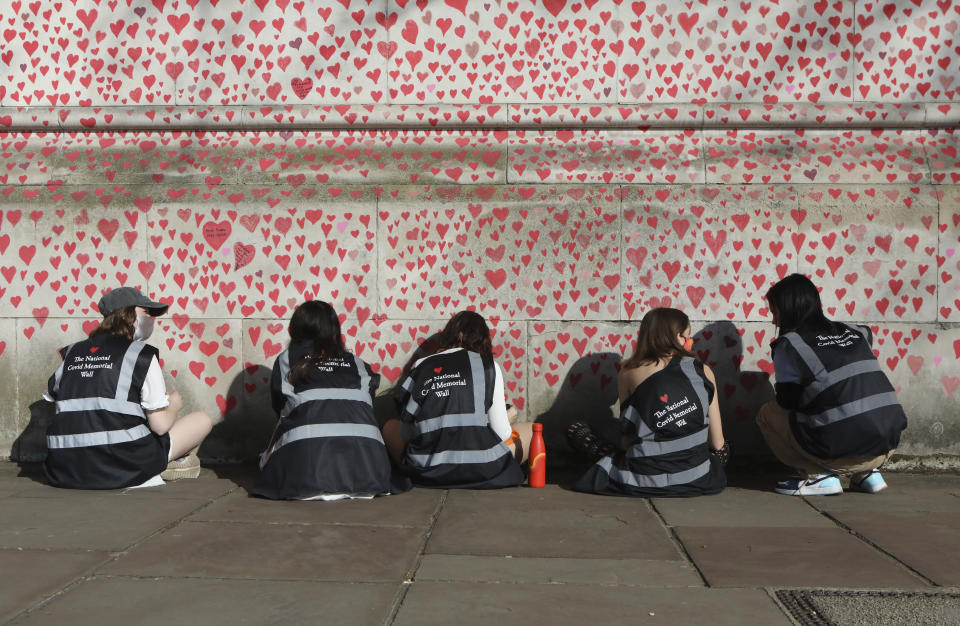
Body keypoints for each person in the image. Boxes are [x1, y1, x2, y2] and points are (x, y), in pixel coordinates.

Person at [43, 287, 213, 489]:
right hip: (123, 465)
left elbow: (60, 400)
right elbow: (160, 426)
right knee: (202, 420)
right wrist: (174, 405)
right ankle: (166, 464)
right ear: (128, 314)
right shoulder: (141, 354)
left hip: (64, 468)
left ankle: (169, 464)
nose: (151, 319)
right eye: (146, 313)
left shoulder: (72, 351)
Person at [757, 274, 907, 496]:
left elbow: (788, 402)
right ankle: (867, 474)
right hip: (886, 447)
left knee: (768, 414)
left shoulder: (790, 345)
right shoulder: (858, 332)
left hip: (839, 453)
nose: (773, 321)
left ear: (788, 309)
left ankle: (818, 475)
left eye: (775, 312)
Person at [571, 307, 728, 497]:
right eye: (687, 337)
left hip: (641, 479)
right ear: (677, 337)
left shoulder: (629, 372)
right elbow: (718, 443)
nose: (689, 343)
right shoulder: (703, 372)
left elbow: (626, 439)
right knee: (721, 451)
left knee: (576, 430)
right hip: (696, 480)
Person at [253, 301, 397, 500]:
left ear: (293, 329)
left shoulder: (287, 359)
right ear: (335, 331)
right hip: (368, 472)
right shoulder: (357, 363)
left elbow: (281, 409)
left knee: (269, 455)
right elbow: (365, 407)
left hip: (303, 474)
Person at [382, 310, 528, 488]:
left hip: (427, 471)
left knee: (390, 426)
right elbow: (502, 433)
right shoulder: (489, 365)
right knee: (531, 431)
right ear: (483, 340)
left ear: (452, 335)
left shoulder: (421, 364)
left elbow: (407, 433)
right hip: (482, 469)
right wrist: (509, 416)